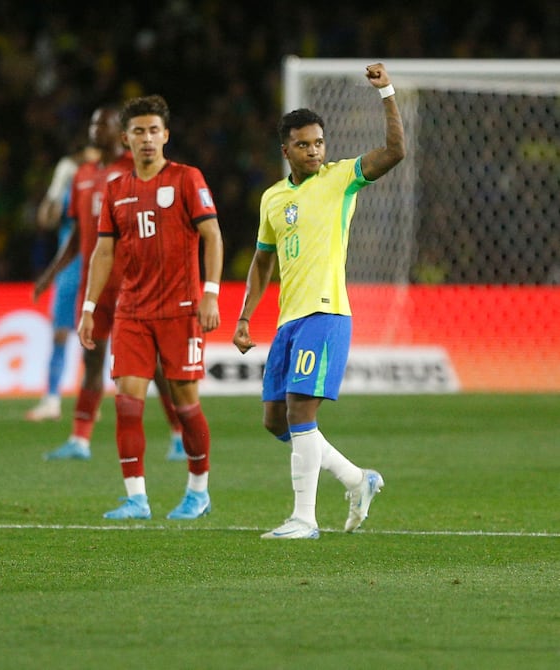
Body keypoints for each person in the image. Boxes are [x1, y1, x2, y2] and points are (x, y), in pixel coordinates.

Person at [232, 63, 405, 539]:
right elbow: (263, 261)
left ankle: (304, 519)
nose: (314, 150)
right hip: (288, 321)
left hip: (326, 313)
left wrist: (386, 91)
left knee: (301, 413)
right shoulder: (272, 199)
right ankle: (357, 479)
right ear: (285, 149)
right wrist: (245, 316)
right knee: (274, 419)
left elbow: (395, 150)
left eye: (319, 142)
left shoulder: (341, 178)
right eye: (304, 144)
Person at [78, 95, 224, 520]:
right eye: (138, 132)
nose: (147, 139)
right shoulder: (116, 190)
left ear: (166, 135)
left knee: (185, 404)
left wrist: (211, 292)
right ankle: (136, 498)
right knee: (127, 402)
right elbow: (103, 253)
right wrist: (89, 306)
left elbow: (212, 235)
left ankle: (199, 490)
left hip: (181, 309)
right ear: (126, 139)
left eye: (154, 131)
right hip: (133, 312)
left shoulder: (186, 178)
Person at [34, 105, 186, 462]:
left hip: (133, 283)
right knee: (92, 361)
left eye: (102, 125)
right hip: (94, 284)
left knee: (157, 365)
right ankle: (79, 440)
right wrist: (50, 273)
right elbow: (75, 235)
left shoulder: (134, 170)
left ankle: (179, 434)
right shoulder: (82, 173)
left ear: (118, 133)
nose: (94, 130)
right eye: (92, 123)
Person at [25, 142, 97, 422]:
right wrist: (55, 192)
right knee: (60, 333)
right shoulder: (71, 180)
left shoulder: (108, 181)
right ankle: (52, 399)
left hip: (100, 264)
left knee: (98, 338)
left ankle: (90, 401)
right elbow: (46, 219)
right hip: (69, 266)